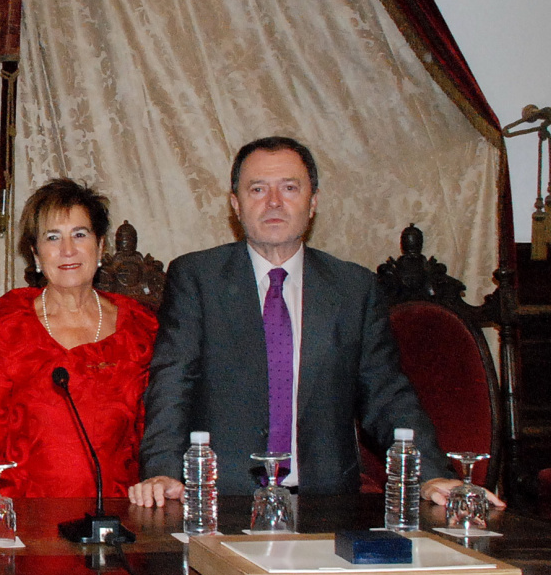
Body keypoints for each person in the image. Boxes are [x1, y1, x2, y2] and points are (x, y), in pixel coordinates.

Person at [129, 136, 503, 508]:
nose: (273, 202)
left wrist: (431, 475)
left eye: (289, 188)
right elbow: (172, 382)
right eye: (257, 189)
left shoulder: (353, 288)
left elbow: (386, 393)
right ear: (236, 205)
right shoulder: (197, 278)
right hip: (219, 500)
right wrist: (163, 470)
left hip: (326, 503)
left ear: (313, 203)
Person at [0, 180, 157, 499]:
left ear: (100, 246)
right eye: (53, 237)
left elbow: (159, 430)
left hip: (120, 517)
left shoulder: (140, 327)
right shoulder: (8, 322)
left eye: (80, 234)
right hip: (26, 518)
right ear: (36, 253)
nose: (68, 250)